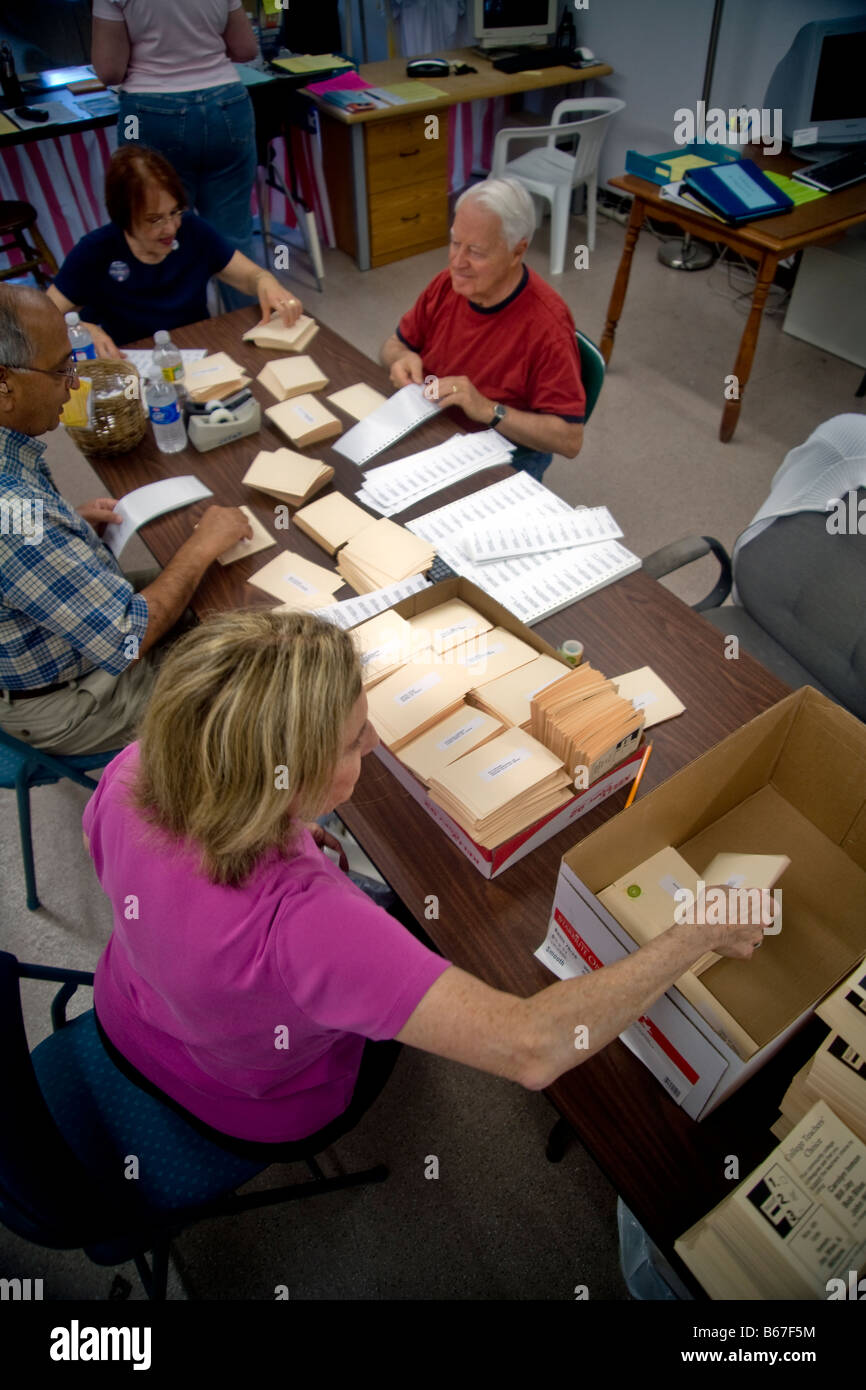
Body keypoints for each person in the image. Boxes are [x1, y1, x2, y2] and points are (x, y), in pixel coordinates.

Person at [82, 608, 770, 1156]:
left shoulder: (137, 770)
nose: (375, 742)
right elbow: (533, 1049)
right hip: (255, 1099)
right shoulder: (308, 927)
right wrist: (694, 934)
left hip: (128, 1012)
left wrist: (287, 834)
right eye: (353, 742)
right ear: (281, 780)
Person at [0, 285, 252, 754]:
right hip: (67, 699)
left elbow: (20, 542)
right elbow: (127, 638)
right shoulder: (13, 519)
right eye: (60, 369)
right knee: (257, 685)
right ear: (4, 383)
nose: (74, 384)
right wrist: (199, 546)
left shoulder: (11, 472)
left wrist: (63, 526)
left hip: (49, 643)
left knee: (226, 585)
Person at [381, 177, 586, 481]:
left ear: (517, 252)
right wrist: (400, 359)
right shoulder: (446, 285)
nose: (457, 262)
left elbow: (569, 440)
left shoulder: (548, 327)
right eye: (454, 243)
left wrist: (488, 409)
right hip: (434, 428)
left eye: (475, 252)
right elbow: (392, 346)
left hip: (498, 453)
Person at [46, 146, 302, 358]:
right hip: (133, 357)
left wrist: (266, 282)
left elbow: (249, 276)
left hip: (197, 347)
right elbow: (43, 315)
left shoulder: (192, 229)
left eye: (174, 212)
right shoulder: (95, 249)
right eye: (154, 219)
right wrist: (82, 328)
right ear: (123, 218)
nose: (170, 228)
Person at [91, 0, 261, 307]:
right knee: (234, 236)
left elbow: (110, 70)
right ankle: (254, 337)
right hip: (226, 102)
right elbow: (246, 49)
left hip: (150, 107)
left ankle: (177, 339)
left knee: (159, 233)